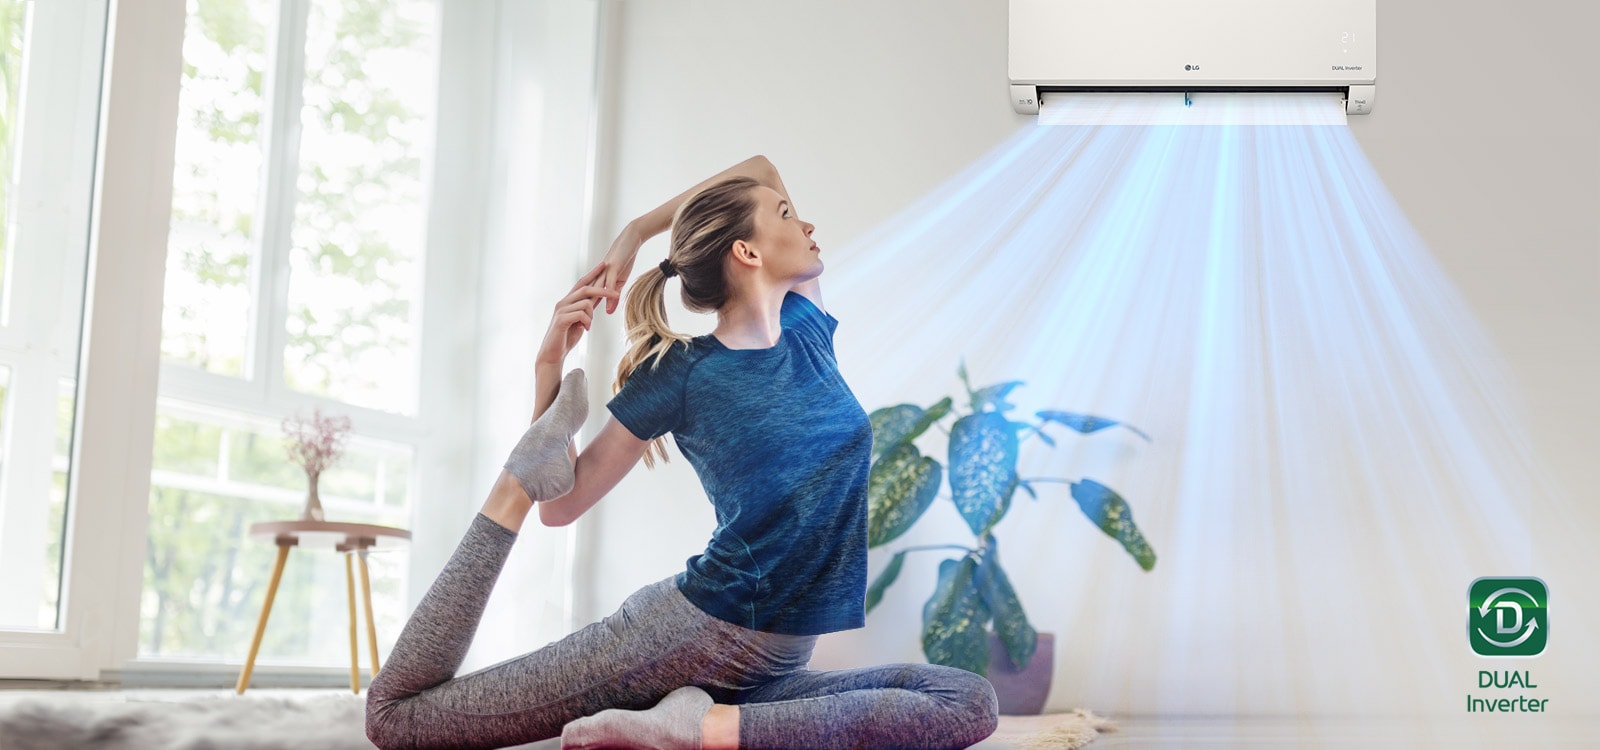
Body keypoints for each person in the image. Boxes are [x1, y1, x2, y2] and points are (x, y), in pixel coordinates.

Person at [365, 156, 999, 750]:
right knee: (398, 718)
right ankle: (509, 490)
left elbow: (757, 167)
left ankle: (703, 725)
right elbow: (560, 506)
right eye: (784, 215)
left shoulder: (807, 331)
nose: (805, 222)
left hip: (774, 663)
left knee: (964, 700)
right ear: (746, 251)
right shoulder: (683, 373)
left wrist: (637, 231)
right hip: (689, 635)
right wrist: (548, 367)